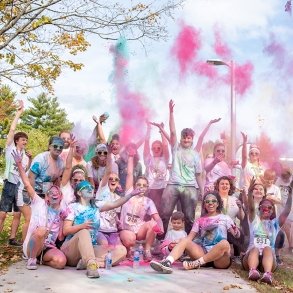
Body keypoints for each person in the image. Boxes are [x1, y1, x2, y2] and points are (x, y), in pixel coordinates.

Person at [61, 180, 140, 278]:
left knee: (121, 250)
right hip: (71, 251)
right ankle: (91, 265)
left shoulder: (96, 205)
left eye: (91, 187)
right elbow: (65, 230)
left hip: (90, 249)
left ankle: (88, 262)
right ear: (79, 193)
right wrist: (82, 226)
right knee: (84, 232)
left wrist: (130, 195)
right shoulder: (72, 207)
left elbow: (115, 204)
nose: (90, 189)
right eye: (86, 187)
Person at [150, 191, 240, 274]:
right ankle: (167, 262)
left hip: (219, 259)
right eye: (207, 201)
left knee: (225, 243)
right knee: (185, 241)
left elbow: (236, 235)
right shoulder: (200, 220)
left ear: (218, 203)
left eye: (213, 201)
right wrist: (179, 242)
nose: (210, 203)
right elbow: (189, 238)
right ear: (204, 204)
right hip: (202, 253)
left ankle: (197, 263)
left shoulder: (225, 218)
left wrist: (236, 232)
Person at [12, 150, 67, 270]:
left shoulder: (61, 211)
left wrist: (62, 221)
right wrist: (19, 164)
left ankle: (41, 260)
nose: (53, 194)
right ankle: (32, 258)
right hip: (33, 245)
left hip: (48, 246)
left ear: (61, 196)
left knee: (61, 262)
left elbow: (61, 237)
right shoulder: (39, 202)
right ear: (46, 196)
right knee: (41, 230)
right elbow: (27, 183)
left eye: (56, 193)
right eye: (50, 193)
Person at [160, 100, 204, 236]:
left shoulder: (196, 155)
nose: (186, 140)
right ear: (181, 139)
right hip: (173, 184)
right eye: (184, 138)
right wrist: (171, 113)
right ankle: (160, 240)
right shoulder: (176, 148)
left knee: (189, 217)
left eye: (189, 138)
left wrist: (202, 190)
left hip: (190, 187)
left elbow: (198, 174)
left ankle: (187, 244)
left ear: (192, 139)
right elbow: (172, 131)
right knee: (165, 214)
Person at [241, 179, 292, 285]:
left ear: (272, 210)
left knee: (267, 248)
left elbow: (286, 211)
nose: (266, 209)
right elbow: (250, 208)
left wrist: (290, 196)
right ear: (259, 208)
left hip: (268, 259)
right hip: (251, 257)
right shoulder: (254, 220)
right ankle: (252, 271)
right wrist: (250, 192)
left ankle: (267, 274)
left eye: (269, 207)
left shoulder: (275, 224)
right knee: (254, 249)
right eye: (263, 207)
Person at [119, 145, 164, 261]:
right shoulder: (129, 193)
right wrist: (130, 156)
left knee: (153, 224)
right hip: (127, 229)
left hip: (139, 230)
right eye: (139, 185)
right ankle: (128, 250)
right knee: (130, 239)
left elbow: (157, 217)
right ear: (134, 186)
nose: (141, 187)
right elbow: (129, 174)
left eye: (144, 186)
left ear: (147, 188)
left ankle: (147, 250)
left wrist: (160, 225)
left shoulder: (148, 201)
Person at [0, 100, 31, 246]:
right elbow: (12, 130)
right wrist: (18, 113)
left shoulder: (25, 155)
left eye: (26, 140)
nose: (25, 142)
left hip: (19, 187)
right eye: (23, 140)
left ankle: (12, 239)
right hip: (9, 184)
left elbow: (24, 171)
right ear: (17, 141)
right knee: (3, 214)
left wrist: (30, 159)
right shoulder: (11, 148)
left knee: (17, 214)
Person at [95, 146, 122, 246]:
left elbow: (115, 216)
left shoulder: (118, 198)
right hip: (100, 230)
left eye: (116, 179)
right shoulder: (102, 189)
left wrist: (119, 222)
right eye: (110, 179)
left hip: (113, 231)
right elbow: (108, 172)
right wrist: (109, 154)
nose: (113, 180)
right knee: (105, 246)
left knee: (119, 250)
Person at [143, 121, 169, 215]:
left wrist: (161, 130)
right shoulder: (148, 159)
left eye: (158, 148)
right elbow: (146, 142)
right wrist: (148, 129)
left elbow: (166, 145)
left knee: (162, 214)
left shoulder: (165, 159)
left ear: (161, 149)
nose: (156, 150)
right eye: (154, 148)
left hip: (162, 189)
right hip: (151, 189)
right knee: (150, 214)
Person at [276, 167, 293, 254]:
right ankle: (281, 243)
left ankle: (290, 245)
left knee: (288, 225)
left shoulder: (292, 180)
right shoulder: (278, 180)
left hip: (289, 206)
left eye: (286, 178)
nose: (285, 179)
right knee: (280, 226)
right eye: (283, 177)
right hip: (279, 206)